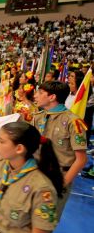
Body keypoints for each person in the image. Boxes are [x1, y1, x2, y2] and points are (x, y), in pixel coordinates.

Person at [32, 81, 87, 218]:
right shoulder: (38, 118)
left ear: (52, 97)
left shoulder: (73, 122)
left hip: (58, 176)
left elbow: (81, 160)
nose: (36, 95)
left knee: (43, 222)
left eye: (40, 93)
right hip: (36, 174)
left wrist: (61, 185)